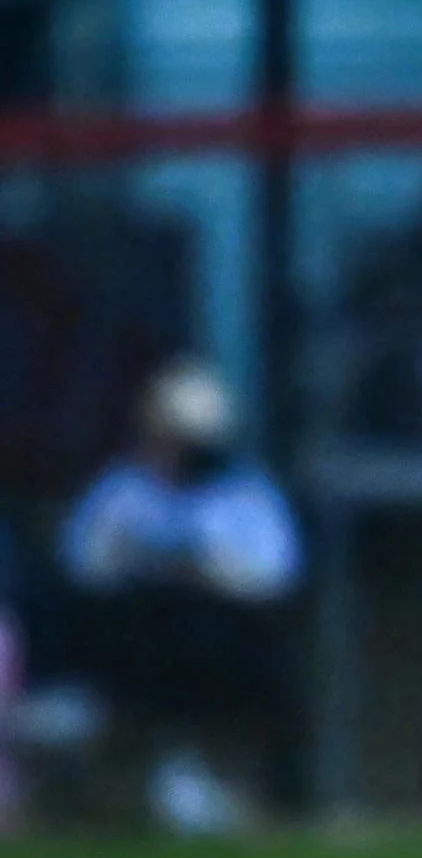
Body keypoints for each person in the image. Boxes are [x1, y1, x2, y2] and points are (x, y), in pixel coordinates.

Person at [57, 356, 305, 831]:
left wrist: (207, 570)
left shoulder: (244, 494)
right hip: (136, 640)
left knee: (263, 657)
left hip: (223, 640)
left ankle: (276, 800)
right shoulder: (123, 491)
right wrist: (145, 562)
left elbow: (276, 573)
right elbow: (82, 564)